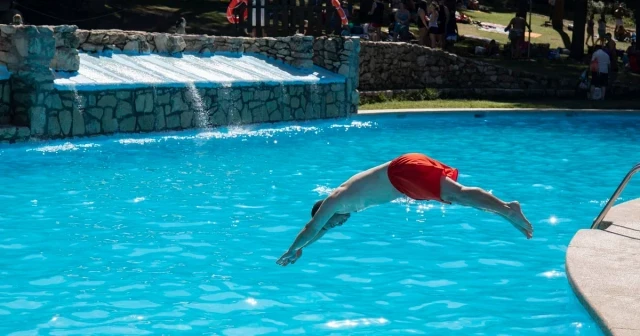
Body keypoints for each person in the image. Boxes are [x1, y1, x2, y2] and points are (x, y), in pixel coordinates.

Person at [276, 153, 534, 266]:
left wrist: (291, 249)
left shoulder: (335, 200)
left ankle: (508, 209)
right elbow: (319, 231)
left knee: (459, 194)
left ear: (327, 213)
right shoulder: (344, 206)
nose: (337, 225)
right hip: (404, 181)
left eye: (331, 223)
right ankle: (505, 211)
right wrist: (302, 248)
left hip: (403, 174)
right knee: (459, 199)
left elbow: (314, 227)